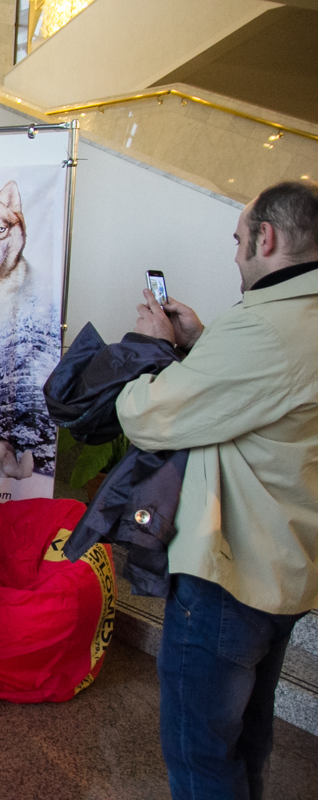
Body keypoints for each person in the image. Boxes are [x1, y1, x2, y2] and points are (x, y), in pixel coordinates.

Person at [116, 180, 318, 800]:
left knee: (201, 754)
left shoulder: (267, 327)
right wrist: (202, 343)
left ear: (268, 237)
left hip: (230, 574)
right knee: (246, 741)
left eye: (238, 240)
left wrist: (151, 348)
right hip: (286, 565)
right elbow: (271, 399)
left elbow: (147, 415)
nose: (234, 255)